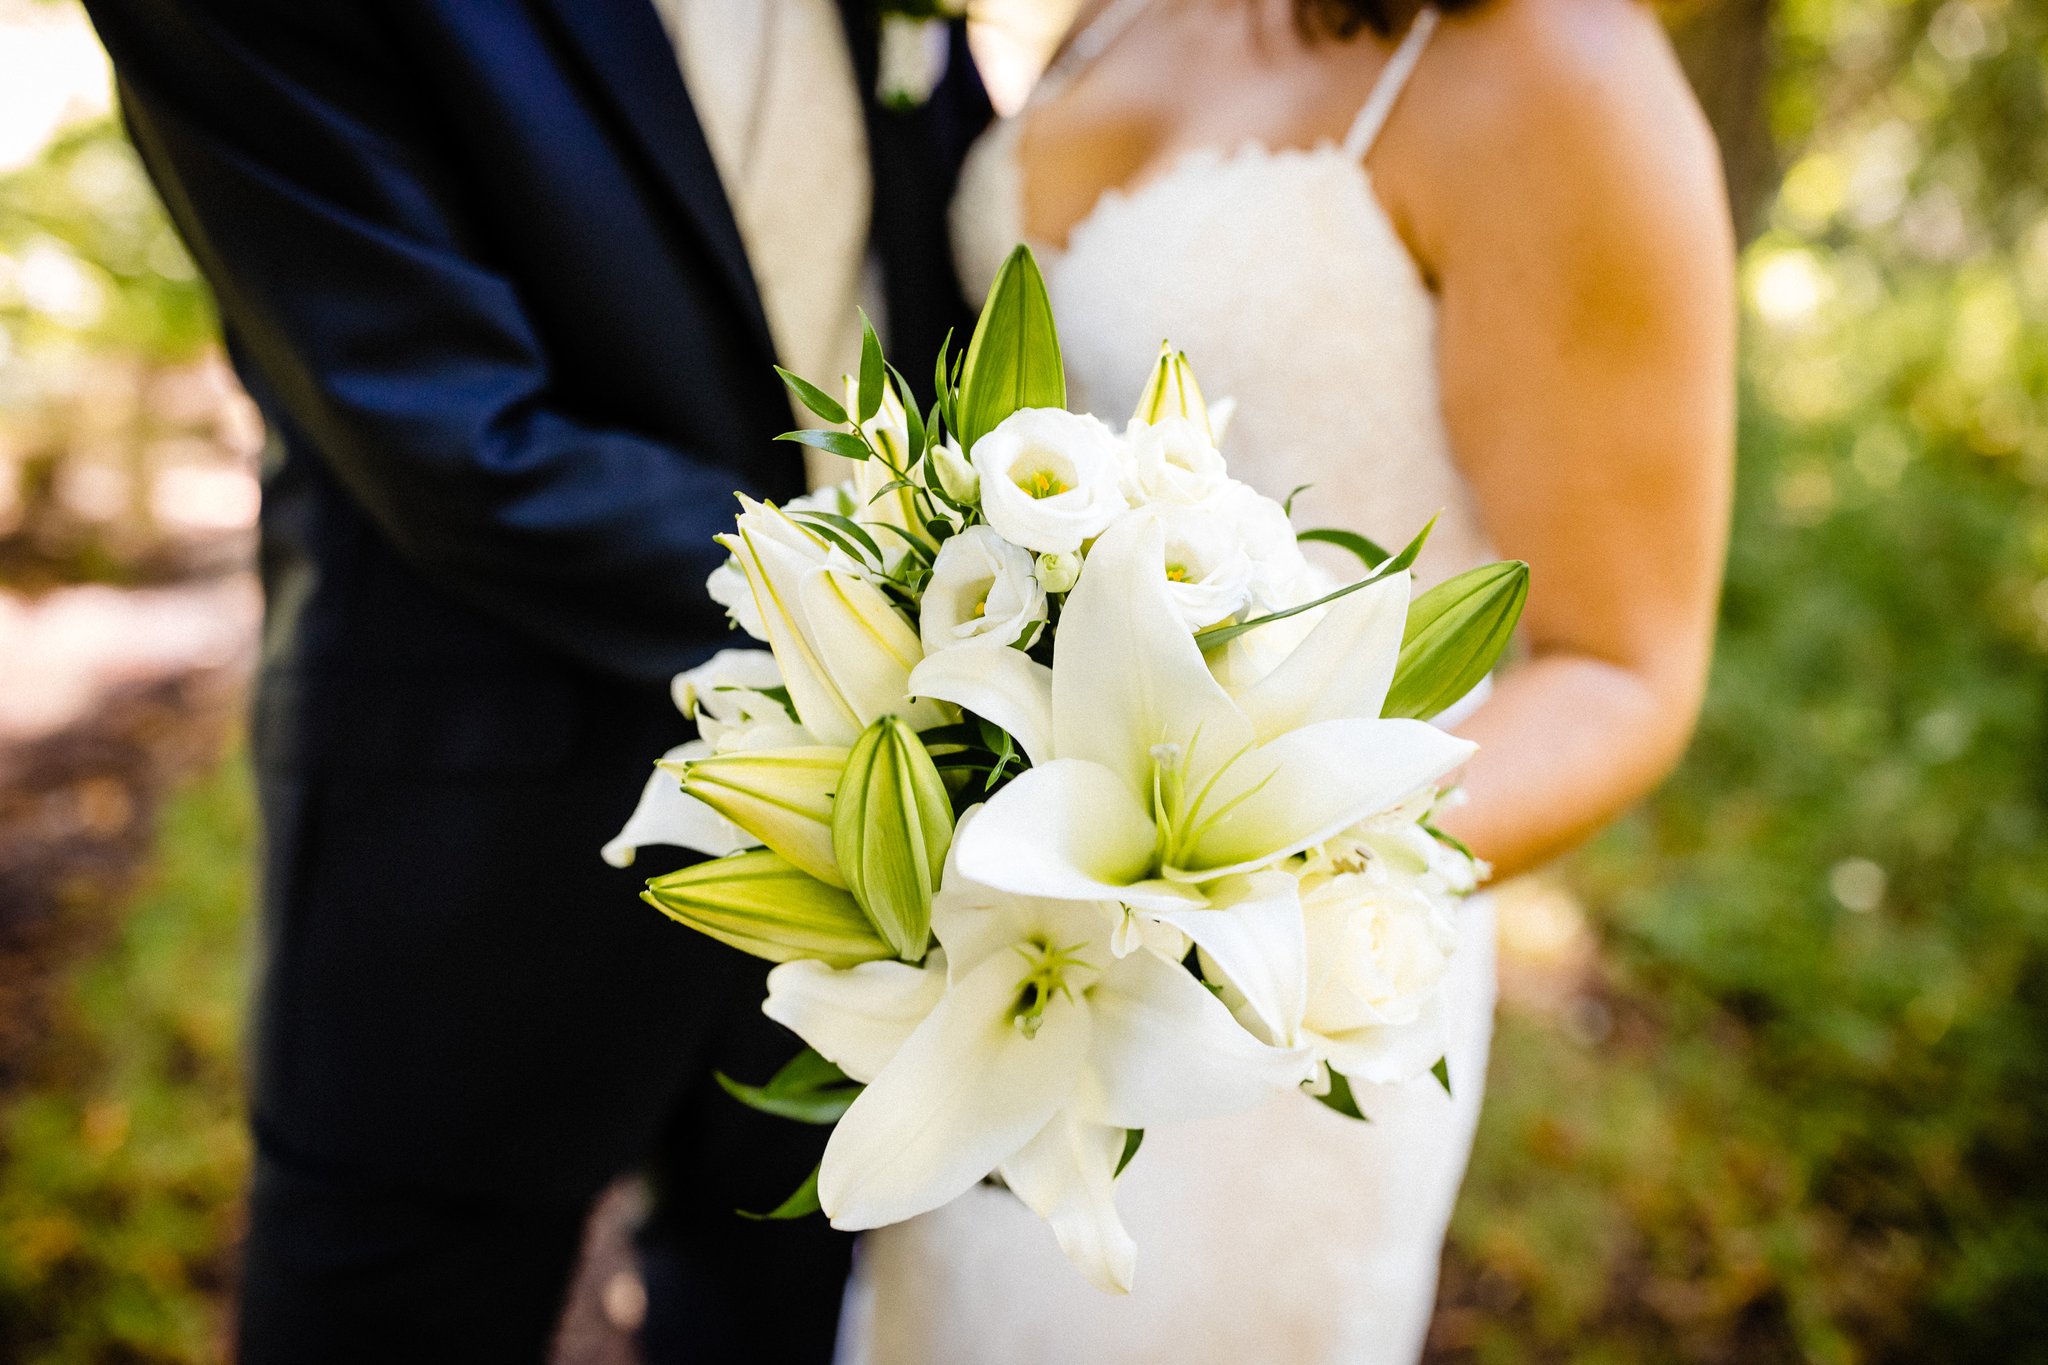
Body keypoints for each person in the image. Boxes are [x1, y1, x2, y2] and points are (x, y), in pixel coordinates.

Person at [76, 1, 989, 1360]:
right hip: (478, 848)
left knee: (779, 1315)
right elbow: (452, 431)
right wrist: (944, 609)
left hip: (871, 842)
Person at [838, 0, 1735, 1359]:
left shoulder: (1560, 71)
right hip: (996, 947)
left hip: (1258, 1000)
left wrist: (1216, 898)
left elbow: (1622, 674)